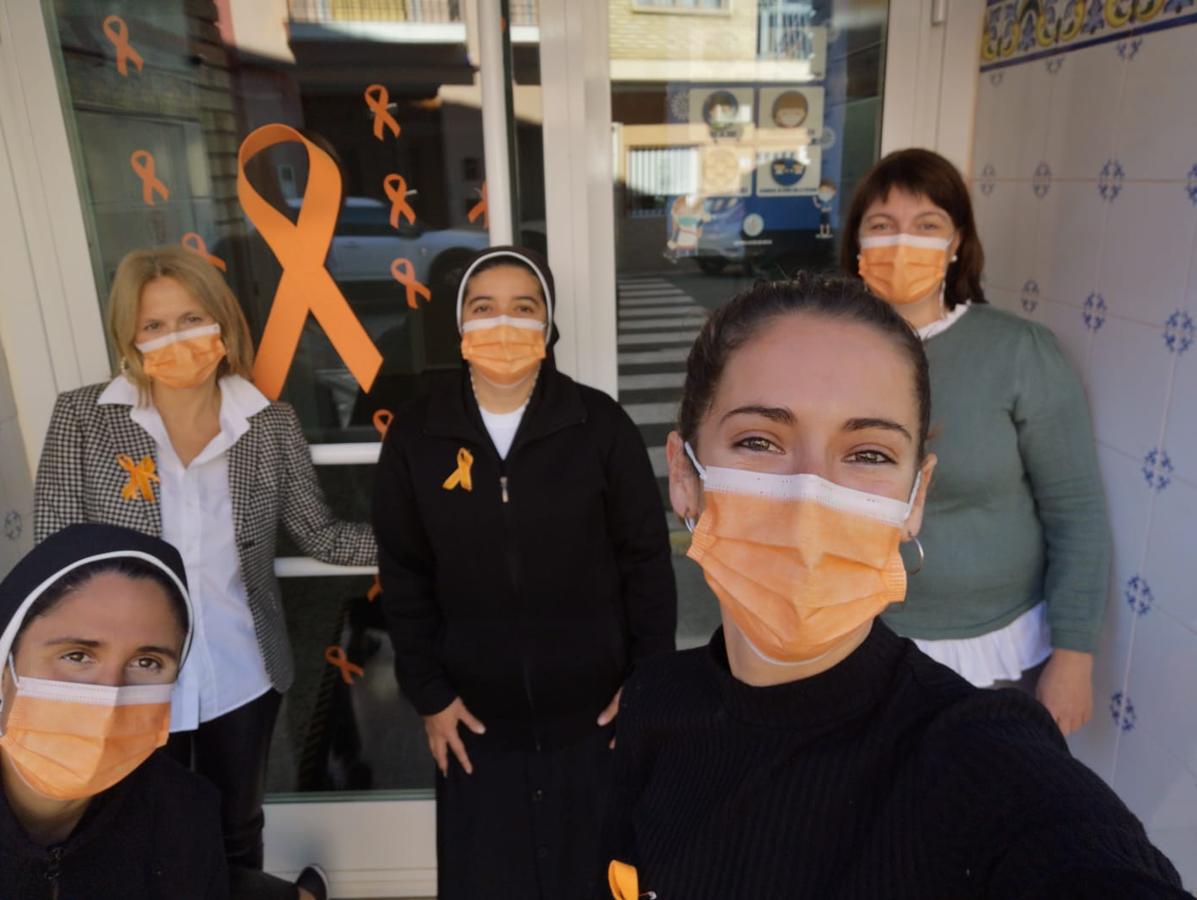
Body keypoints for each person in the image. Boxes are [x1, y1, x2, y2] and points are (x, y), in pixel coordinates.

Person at [603, 274, 1183, 898]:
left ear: (916, 499)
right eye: (759, 441)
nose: (809, 494)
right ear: (684, 477)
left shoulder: (979, 763)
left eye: (869, 454)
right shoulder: (651, 703)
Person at [33, 245, 373, 898]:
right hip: (122, 681)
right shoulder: (83, 419)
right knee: (130, 836)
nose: (174, 338)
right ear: (129, 337)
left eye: (190, 318)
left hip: (238, 673)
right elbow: (56, 555)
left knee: (235, 832)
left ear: (221, 322)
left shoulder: (268, 425)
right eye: (153, 325)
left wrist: (435, 542)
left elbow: (321, 536)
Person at [373, 245, 677, 899]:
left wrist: (646, 684)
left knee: (599, 879)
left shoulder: (599, 425)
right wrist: (428, 694)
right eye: (483, 309)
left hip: (594, 719)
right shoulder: (417, 435)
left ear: (547, 327)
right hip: (475, 724)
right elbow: (403, 572)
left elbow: (646, 561)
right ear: (459, 330)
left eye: (522, 307)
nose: (502, 325)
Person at [840, 148, 1110, 735]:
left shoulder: (1019, 350)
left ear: (957, 241)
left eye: (927, 225)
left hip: (995, 654)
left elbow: (1076, 512)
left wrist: (1074, 653)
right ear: (857, 244)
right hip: (850, 640)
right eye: (882, 226)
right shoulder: (825, 354)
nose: (901, 242)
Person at [0, 523, 227, 898]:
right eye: (77, 656)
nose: (109, 696)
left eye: (147, 662)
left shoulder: (185, 813)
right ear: (6, 666)